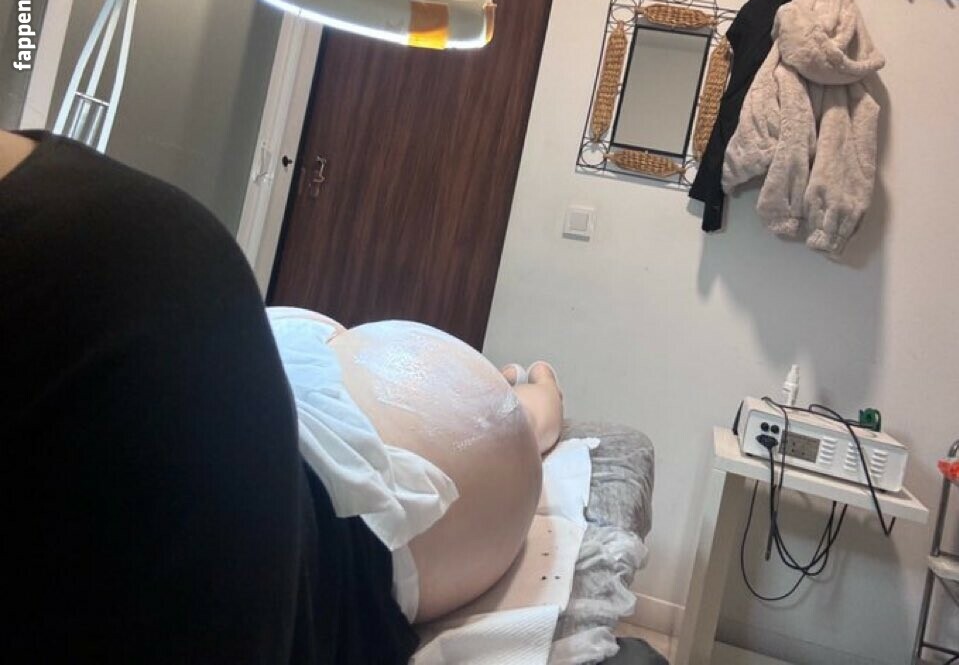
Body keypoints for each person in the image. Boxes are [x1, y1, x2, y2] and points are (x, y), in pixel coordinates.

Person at [1, 128, 563, 660]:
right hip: (288, 413)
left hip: (298, 430)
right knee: (512, 422)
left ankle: (537, 391)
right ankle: (529, 392)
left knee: (514, 419)